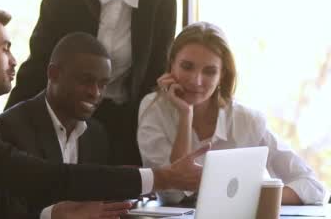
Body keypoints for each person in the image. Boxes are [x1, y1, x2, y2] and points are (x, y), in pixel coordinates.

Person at [0, 4, 208, 219]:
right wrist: (163, 176)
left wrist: (53, 214)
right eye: (4, 48)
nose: (14, 61)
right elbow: (45, 177)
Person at [5, 0, 177, 166]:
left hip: (128, 117)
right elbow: (41, 61)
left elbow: (156, 67)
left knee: (119, 198)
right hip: (67, 114)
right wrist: (7, 123)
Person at [137, 21, 327, 205]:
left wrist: (252, 197)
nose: (196, 81)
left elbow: (313, 186)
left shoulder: (246, 120)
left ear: (223, 76)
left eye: (210, 71)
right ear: (172, 66)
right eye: (187, 67)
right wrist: (186, 114)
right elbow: (172, 193)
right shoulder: (153, 109)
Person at [0, 32, 128, 218]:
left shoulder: (96, 134)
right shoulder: (11, 127)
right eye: (86, 81)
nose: (96, 93)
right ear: (54, 74)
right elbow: (5, 211)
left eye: (103, 84)